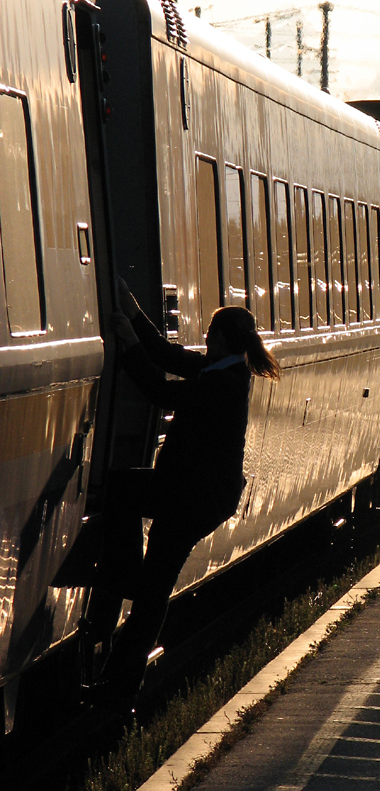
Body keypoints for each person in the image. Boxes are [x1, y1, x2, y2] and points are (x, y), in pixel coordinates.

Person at [87, 278, 280, 710]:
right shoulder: (221, 370)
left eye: (211, 333)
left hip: (193, 498)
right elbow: (168, 355)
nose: (205, 339)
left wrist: (128, 343)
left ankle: (121, 589)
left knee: (125, 499)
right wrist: (132, 313)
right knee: (153, 584)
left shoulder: (222, 384)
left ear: (224, 339)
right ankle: (120, 679)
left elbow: (158, 389)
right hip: (190, 493)